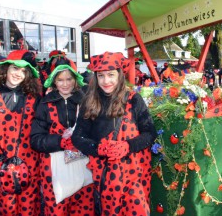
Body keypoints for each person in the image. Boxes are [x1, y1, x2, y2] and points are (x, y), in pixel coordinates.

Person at [72, 51, 157, 216]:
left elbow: (150, 132)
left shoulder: (134, 99)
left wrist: (128, 146)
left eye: (110, 75)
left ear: (119, 75)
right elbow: (78, 137)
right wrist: (97, 148)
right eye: (101, 76)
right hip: (105, 178)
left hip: (134, 175)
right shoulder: (89, 102)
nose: (106, 81)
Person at [0, 50, 42, 215]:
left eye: (23, 71)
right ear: (6, 69)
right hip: (1, 165)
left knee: (30, 209)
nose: (18, 74)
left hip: (31, 166)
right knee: (6, 208)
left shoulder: (35, 99)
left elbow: (43, 129)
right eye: (15, 68)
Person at [30, 64, 95, 215]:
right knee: (56, 209)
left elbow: (95, 132)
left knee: (83, 208)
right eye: (60, 80)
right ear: (54, 82)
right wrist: (60, 142)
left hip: (82, 164)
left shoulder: (85, 102)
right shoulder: (45, 104)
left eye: (68, 79)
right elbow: (35, 139)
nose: (65, 84)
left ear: (75, 81)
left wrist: (83, 140)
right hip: (53, 168)